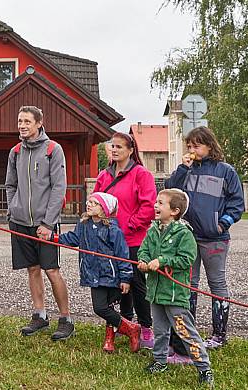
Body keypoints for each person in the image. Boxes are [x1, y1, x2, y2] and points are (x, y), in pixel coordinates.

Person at [165, 126, 243, 351]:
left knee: (217, 283)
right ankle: (188, 332)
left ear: (209, 146)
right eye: (189, 146)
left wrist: (222, 224)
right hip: (188, 236)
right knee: (189, 284)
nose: (192, 149)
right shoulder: (187, 170)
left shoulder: (225, 171)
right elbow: (171, 191)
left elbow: (237, 203)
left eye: (196, 145)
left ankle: (219, 334)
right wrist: (182, 168)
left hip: (214, 238)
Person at [5, 105, 73, 341]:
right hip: (20, 222)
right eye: (19, 121)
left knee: (52, 270)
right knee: (32, 269)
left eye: (26, 121)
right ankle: (40, 315)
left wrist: (48, 222)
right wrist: (14, 209)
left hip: (45, 224)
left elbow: (59, 187)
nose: (22, 126)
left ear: (38, 124)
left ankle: (66, 319)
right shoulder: (14, 152)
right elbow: (10, 185)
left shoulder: (53, 150)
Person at [138, 189, 214, 388]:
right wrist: (144, 260)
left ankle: (204, 368)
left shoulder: (184, 234)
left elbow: (187, 259)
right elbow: (144, 249)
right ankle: (159, 361)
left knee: (185, 331)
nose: (155, 205)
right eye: (156, 202)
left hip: (174, 294)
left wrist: (162, 261)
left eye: (161, 203)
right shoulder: (153, 229)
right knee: (160, 331)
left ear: (175, 211)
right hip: (155, 291)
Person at [94, 131, 157, 348]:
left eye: (119, 147)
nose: (114, 149)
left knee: (137, 284)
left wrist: (129, 224)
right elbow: (97, 200)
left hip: (133, 238)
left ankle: (146, 327)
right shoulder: (104, 175)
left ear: (130, 150)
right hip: (109, 240)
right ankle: (125, 323)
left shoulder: (141, 174)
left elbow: (149, 206)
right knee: (116, 284)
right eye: (112, 146)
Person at [57, 192, 140, 353]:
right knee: (100, 308)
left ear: (104, 209)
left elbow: (123, 254)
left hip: (112, 276)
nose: (89, 205)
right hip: (94, 275)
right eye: (88, 201)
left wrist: (125, 278)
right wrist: (54, 239)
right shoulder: (84, 225)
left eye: (94, 203)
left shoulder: (112, 229)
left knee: (108, 307)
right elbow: (74, 238)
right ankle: (131, 328)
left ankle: (110, 338)